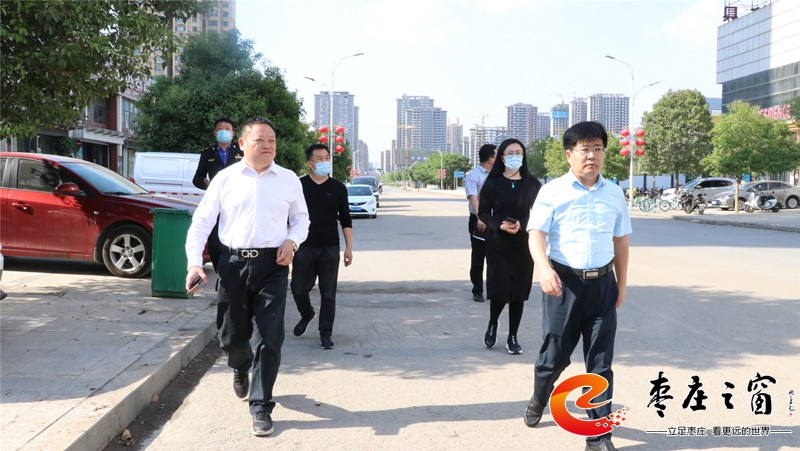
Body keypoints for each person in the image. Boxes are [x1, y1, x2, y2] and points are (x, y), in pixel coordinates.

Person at [184, 117, 309, 437]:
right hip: (233, 264)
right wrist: (194, 263)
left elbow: (301, 220)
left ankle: (261, 405)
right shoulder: (225, 179)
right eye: (260, 140)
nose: (268, 145)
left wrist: (292, 241)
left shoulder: (288, 179)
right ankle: (240, 365)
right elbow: (202, 221)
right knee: (231, 336)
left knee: (270, 337)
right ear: (241, 144)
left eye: (272, 140)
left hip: (273, 265)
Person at [524, 121, 631, 451]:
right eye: (585, 149)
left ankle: (598, 436)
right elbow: (536, 235)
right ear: (569, 154)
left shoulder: (614, 193)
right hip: (563, 285)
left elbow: (620, 241)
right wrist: (544, 269)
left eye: (598, 149)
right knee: (554, 356)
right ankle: (540, 396)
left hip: (603, 286)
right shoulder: (552, 191)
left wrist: (622, 284)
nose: (592, 156)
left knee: (600, 364)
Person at [478, 138, 541, 355]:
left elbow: (540, 214)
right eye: (510, 153)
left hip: (523, 244)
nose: (515, 156)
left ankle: (513, 336)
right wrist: (498, 225)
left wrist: (521, 225)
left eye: (519, 152)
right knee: (501, 287)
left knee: (518, 292)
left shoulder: (533, 184)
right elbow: (483, 212)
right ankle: (493, 322)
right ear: (502, 158)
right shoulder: (492, 183)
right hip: (497, 243)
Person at [291, 144, 353, 350]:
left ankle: (326, 333)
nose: (325, 161)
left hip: (330, 247)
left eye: (327, 157)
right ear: (310, 163)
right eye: (320, 158)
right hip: (304, 246)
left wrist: (349, 248)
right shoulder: (299, 186)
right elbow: (288, 217)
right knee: (298, 289)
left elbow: (346, 220)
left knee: (328, 294)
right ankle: (307, 313)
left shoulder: (338, 188)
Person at [192, 117, 244, 272]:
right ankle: (220, 271)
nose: (224, 132)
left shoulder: (242, 151)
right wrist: (205, 183)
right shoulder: (208, 153)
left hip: (239, 201)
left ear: (233, 133)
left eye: (227, 129)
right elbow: (197, 179)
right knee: (214, 243)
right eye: (220, 129)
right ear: (215, 132)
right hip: (217, 202)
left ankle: (236, 272)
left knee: (238, 239)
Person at [464, 144, 496, 303]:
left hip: (496, 220)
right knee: (478, 257)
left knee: (496, 256)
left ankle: (495, 289)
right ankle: (477, 290)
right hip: (479, 220)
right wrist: (481, 217)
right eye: (497, 156)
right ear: (491, 159)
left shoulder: (498, 175)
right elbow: (473, 198)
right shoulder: (474, 176)